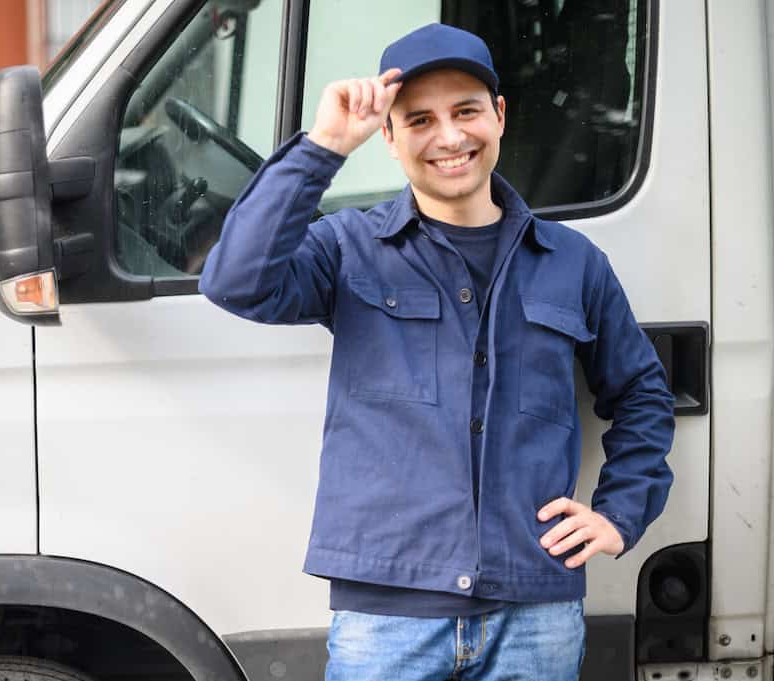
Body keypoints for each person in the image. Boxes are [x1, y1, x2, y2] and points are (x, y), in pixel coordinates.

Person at [199, 22, 675, 681]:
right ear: (389, 137)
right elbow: (234, 281)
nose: (450, 137)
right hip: (387, 618)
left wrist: (621, 513)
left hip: (534, 609)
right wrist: (324, 146)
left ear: (499, 117)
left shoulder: (574, 264)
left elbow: (643, 393)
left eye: (466, 111)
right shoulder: (347, 249)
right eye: (419, 119)